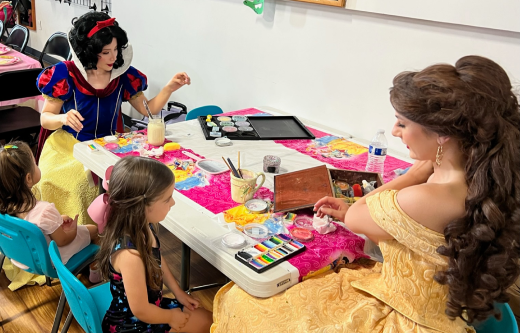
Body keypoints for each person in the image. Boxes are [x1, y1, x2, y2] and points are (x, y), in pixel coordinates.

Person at [211, 56, 520, 332]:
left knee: (245, 301)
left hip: (409, 315)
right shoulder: (481, 176)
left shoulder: (429, 194)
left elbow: (358, 217)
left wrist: (413, 175)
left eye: (402, 123)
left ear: (443, 134)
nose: (396, 132)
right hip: (438, 298)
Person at [36, 12, 191, 224]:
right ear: (90, 52)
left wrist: (168, 89)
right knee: (78, 185)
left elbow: (148, 110)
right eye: (106, 52)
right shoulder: (66, 73)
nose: (113, 57)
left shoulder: (123, 75)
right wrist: (63, 118)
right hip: (70, 146)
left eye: (116, 50)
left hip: (113, 144)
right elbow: (45, 118)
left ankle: (112, 236)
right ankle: (76, 235)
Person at [96, 156, 212, 333]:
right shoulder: (130, 256)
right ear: (141, 206)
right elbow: (141, 310)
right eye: (167, 199)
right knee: (204, 325)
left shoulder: (143, 225)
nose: (172, 203)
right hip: (132, 325)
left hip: (151, 308)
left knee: (208, 320)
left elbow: (156, 262)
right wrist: (171, 317)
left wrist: (178, 292)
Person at [0, 141, 100, 276]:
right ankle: (96, 273)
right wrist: (72, 229)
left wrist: (57, 222)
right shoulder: (44, 211)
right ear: (28, 178)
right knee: (94, 230)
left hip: (23, 256)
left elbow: (33, 225)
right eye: (34, 163)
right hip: (50, 260)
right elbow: (63, 240)